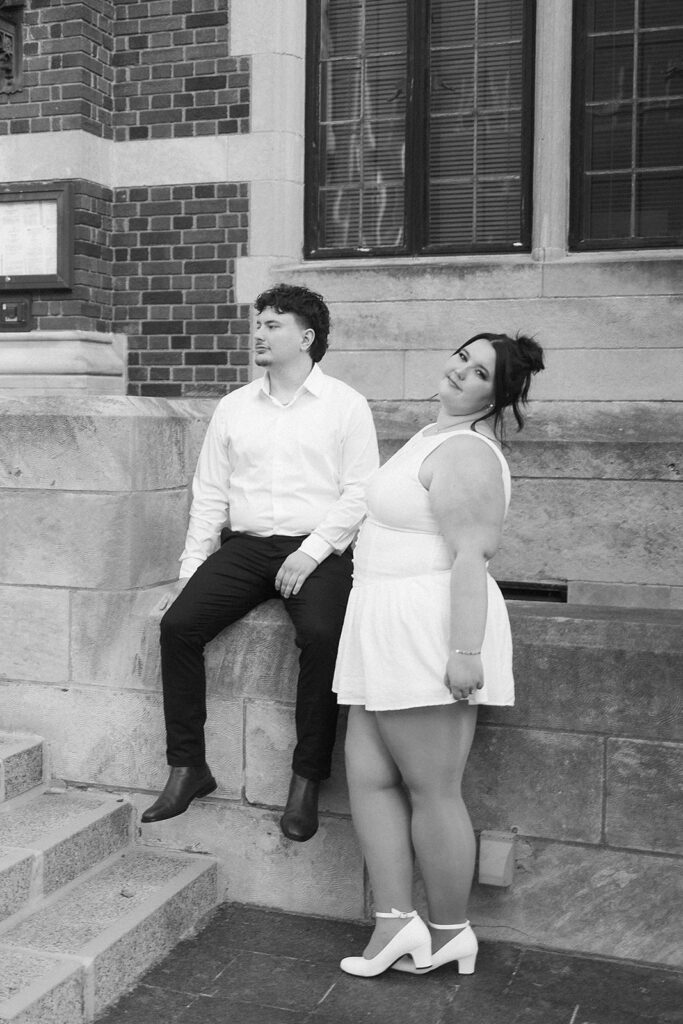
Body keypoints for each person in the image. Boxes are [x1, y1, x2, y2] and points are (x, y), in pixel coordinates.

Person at [332, 332, 544, 977]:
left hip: (428, 625)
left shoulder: (469, 452)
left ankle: (451, 931)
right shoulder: (430, 434)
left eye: (478, 372)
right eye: (462, 357)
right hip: (378, 618)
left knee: (433, 790)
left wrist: (463, 650)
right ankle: (396, 925)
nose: (460, 372)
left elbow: (471, 557)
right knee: (366, 776)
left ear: (495, 395)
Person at [141, 284, 379, 842]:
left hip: (319, 547)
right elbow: (210, 494)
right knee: (178, 625)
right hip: (246, 547)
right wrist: (190, 570)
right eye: (259, 323)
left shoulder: (346, 405)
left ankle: (306, 780)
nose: (260, 333)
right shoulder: (234, 406)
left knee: (323, 637)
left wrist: (311, 551)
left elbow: (360, 492)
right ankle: (188, 767)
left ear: (306, 337)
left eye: (274, 324)